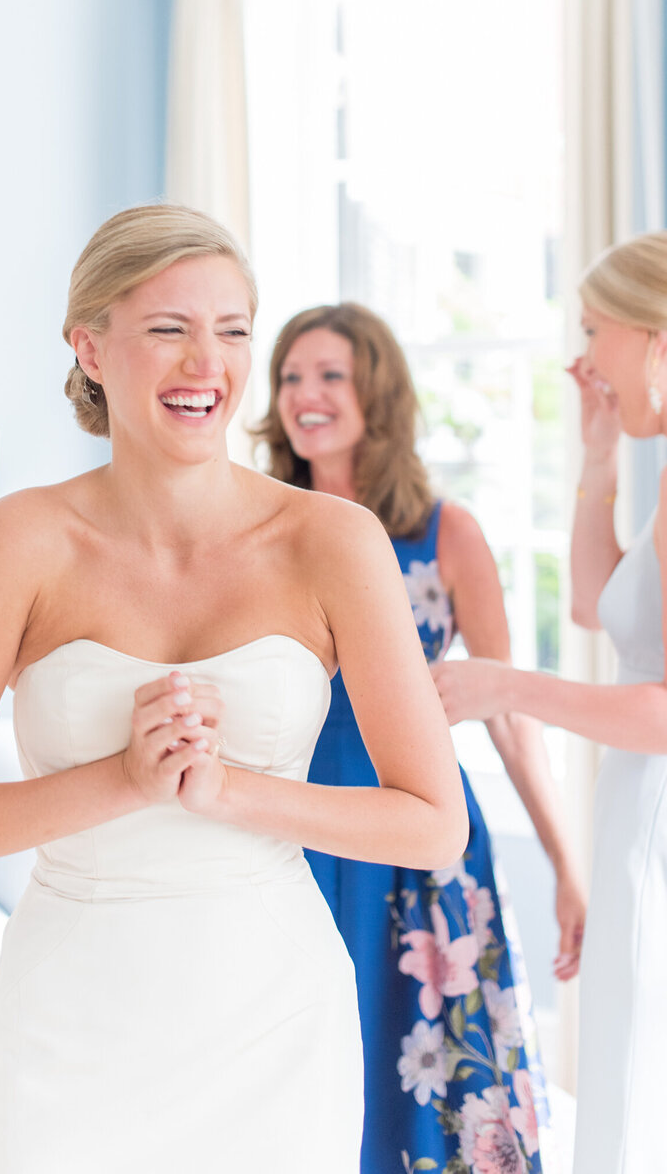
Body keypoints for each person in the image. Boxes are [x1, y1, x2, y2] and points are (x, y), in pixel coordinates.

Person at [0, 206, 467, 1174]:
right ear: (90, 347)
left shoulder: (332, 541)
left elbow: (430, 821)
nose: (207, 363)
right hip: (76, 1017)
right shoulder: (15, 541)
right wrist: (123, 779)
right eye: (168, 329)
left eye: (231, 330)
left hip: (273, 1012)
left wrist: (229, 789)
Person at [253, 302, 585, 1174]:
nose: (305, 395)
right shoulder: (257, 530)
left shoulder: (445, 532)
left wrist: (567, 861)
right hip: (286, 825)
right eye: (290, 376)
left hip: (418, 843)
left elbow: (506, 709)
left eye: (330, 374)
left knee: (419, 1072)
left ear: (378, 393)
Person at [431, 231, 667, 1174]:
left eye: (595, 330)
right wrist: (600, 457)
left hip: (655, 815)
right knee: (622, 1060)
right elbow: (594, 604)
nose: (583, 358)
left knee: (637, 1067)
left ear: (656, 339)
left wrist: (501, 685)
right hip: (632, 808)